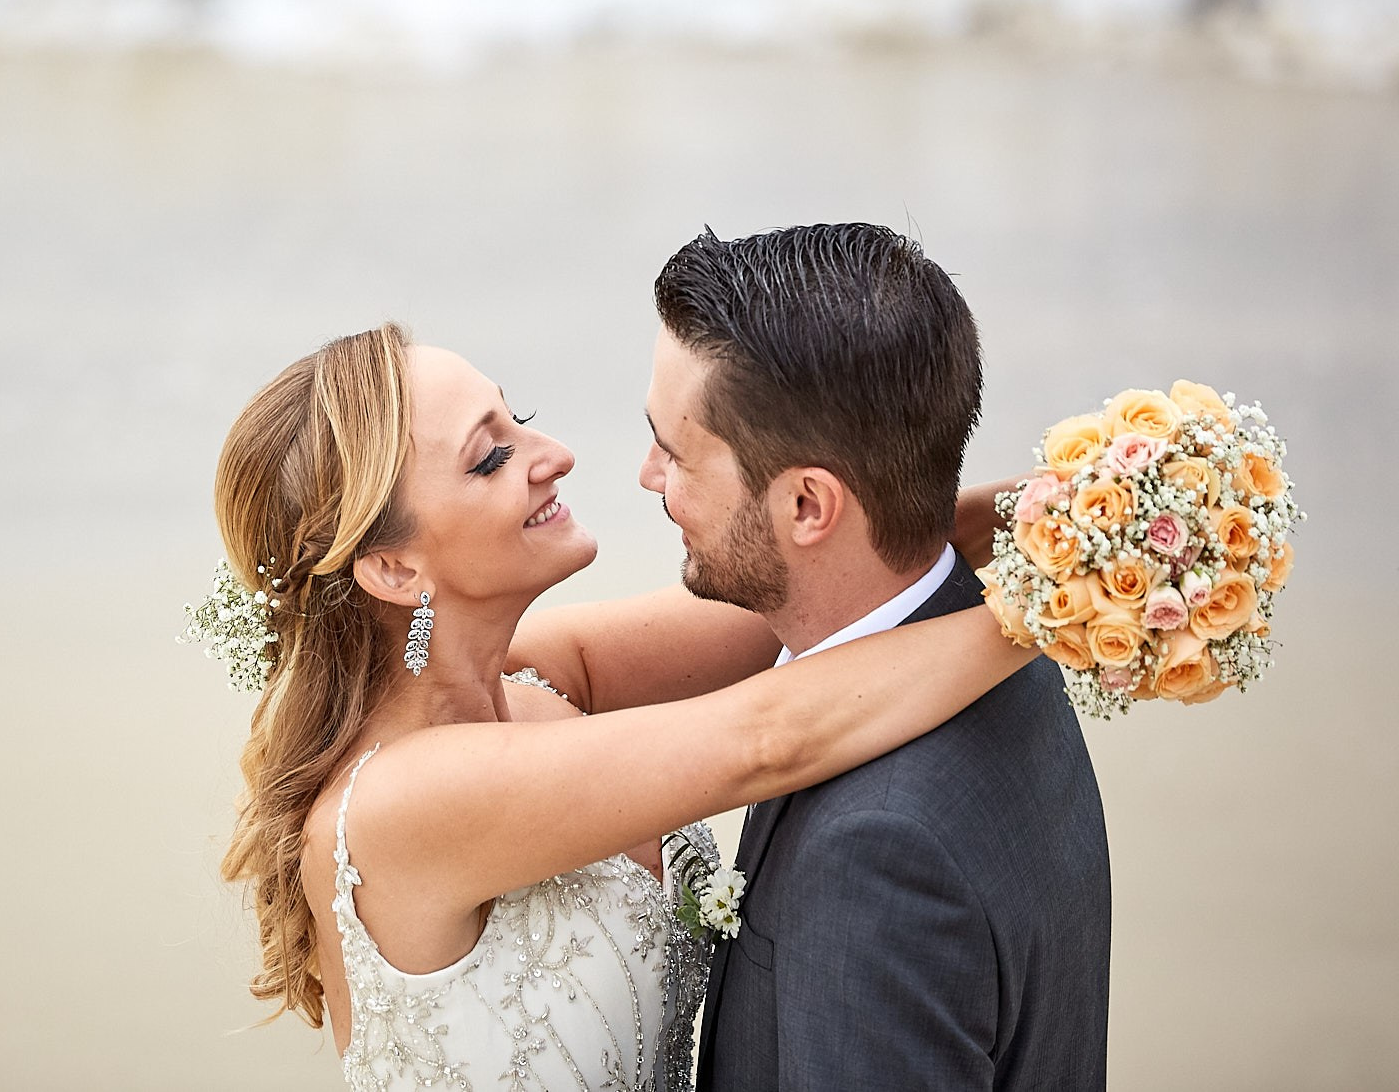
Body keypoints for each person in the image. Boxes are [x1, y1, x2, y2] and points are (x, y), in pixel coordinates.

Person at [197, 318, 1030, 1092]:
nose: (553, 452)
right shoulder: (397, 805)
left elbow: (807, 571)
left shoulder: (534, 679)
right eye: (490, 457)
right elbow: (772, 737)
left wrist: (1081, 512)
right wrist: (1069, 609)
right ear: (395, 570)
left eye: (516, 416)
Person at [514, 223, 1112, 1090]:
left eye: (675, 452)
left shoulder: (878, 855)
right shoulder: (1003, 654)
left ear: (806, 504)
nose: (649, 476)